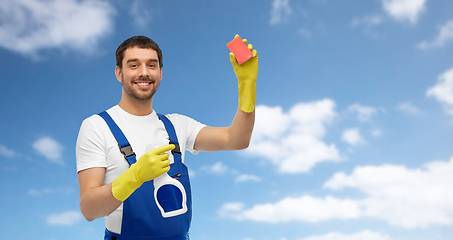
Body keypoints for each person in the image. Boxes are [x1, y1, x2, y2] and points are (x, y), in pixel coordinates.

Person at [76, 35, 258, 240]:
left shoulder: (177, 125)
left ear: (160, 73)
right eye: (134, 65)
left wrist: (247, 85)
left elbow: (237, 139)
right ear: (119, 73)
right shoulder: (96, 127)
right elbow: (89, 209)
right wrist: (134, 177)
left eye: (151, 65)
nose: (144, 72)